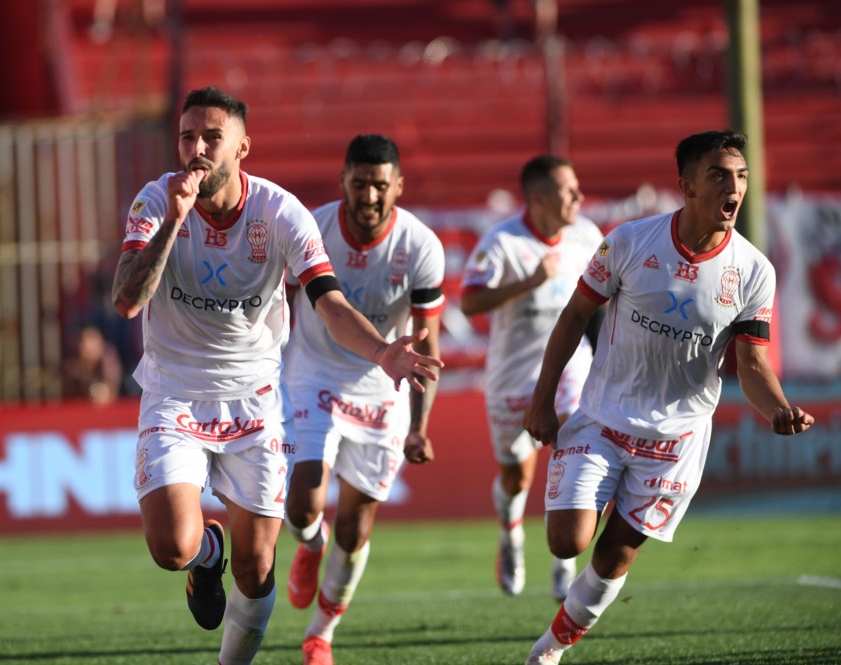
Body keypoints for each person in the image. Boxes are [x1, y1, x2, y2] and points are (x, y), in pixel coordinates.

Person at [111, 87, 441, 665]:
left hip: (255, 400)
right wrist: (174, 220)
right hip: (174, 392)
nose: (197, 148)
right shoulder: (156, 200)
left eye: (213, 137)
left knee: (257, 567)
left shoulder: (281, 213)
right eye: (188, 137)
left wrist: (381, 352)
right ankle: (205, 555)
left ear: (242, 148)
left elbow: (329, 302)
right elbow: (127, 301)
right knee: (171, 548)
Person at [521, 130, 815, 665]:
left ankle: (549, 650)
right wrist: (543, 399)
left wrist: (778, 409)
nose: (734, 187)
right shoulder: (630, 241)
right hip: (603, 418)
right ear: (687, 186)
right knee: (566, 541)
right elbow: (574, 316)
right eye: (718, 175)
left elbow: (751, 364)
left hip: (676, 440)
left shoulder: (754, 271)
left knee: (615, 556)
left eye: (741, 176)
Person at [282, 135, 445, 665]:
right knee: (302, 507)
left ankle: (321, 634)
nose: (369, 196)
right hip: (314, 376)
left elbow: (427, 345)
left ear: (398, 186)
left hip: (382, 388)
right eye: (359, 183)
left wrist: (420, 426)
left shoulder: (421, 246)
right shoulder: (313, 229)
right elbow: (276, 300)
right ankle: (310, 546)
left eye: (380, 185)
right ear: (343, 182)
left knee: (354, 530)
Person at [460, 155, 602, 601]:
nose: (578, 196)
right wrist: (529, 281)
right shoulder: (502, 242)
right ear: (539, 198)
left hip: (570, 367)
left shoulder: (587, 236)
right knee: (516, 479)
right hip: (513, 378)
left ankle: (565, 561)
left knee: (571, 452)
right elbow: (469, 301)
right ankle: (511, 533)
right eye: (567, 190)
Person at [62, 324, 124, 405]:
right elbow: (68, 392)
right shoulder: (71, 365)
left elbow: (112, 385)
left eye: (93, 347)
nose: (90, 351)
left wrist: (104, 392)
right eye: (86, 347)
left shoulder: (108, 359)